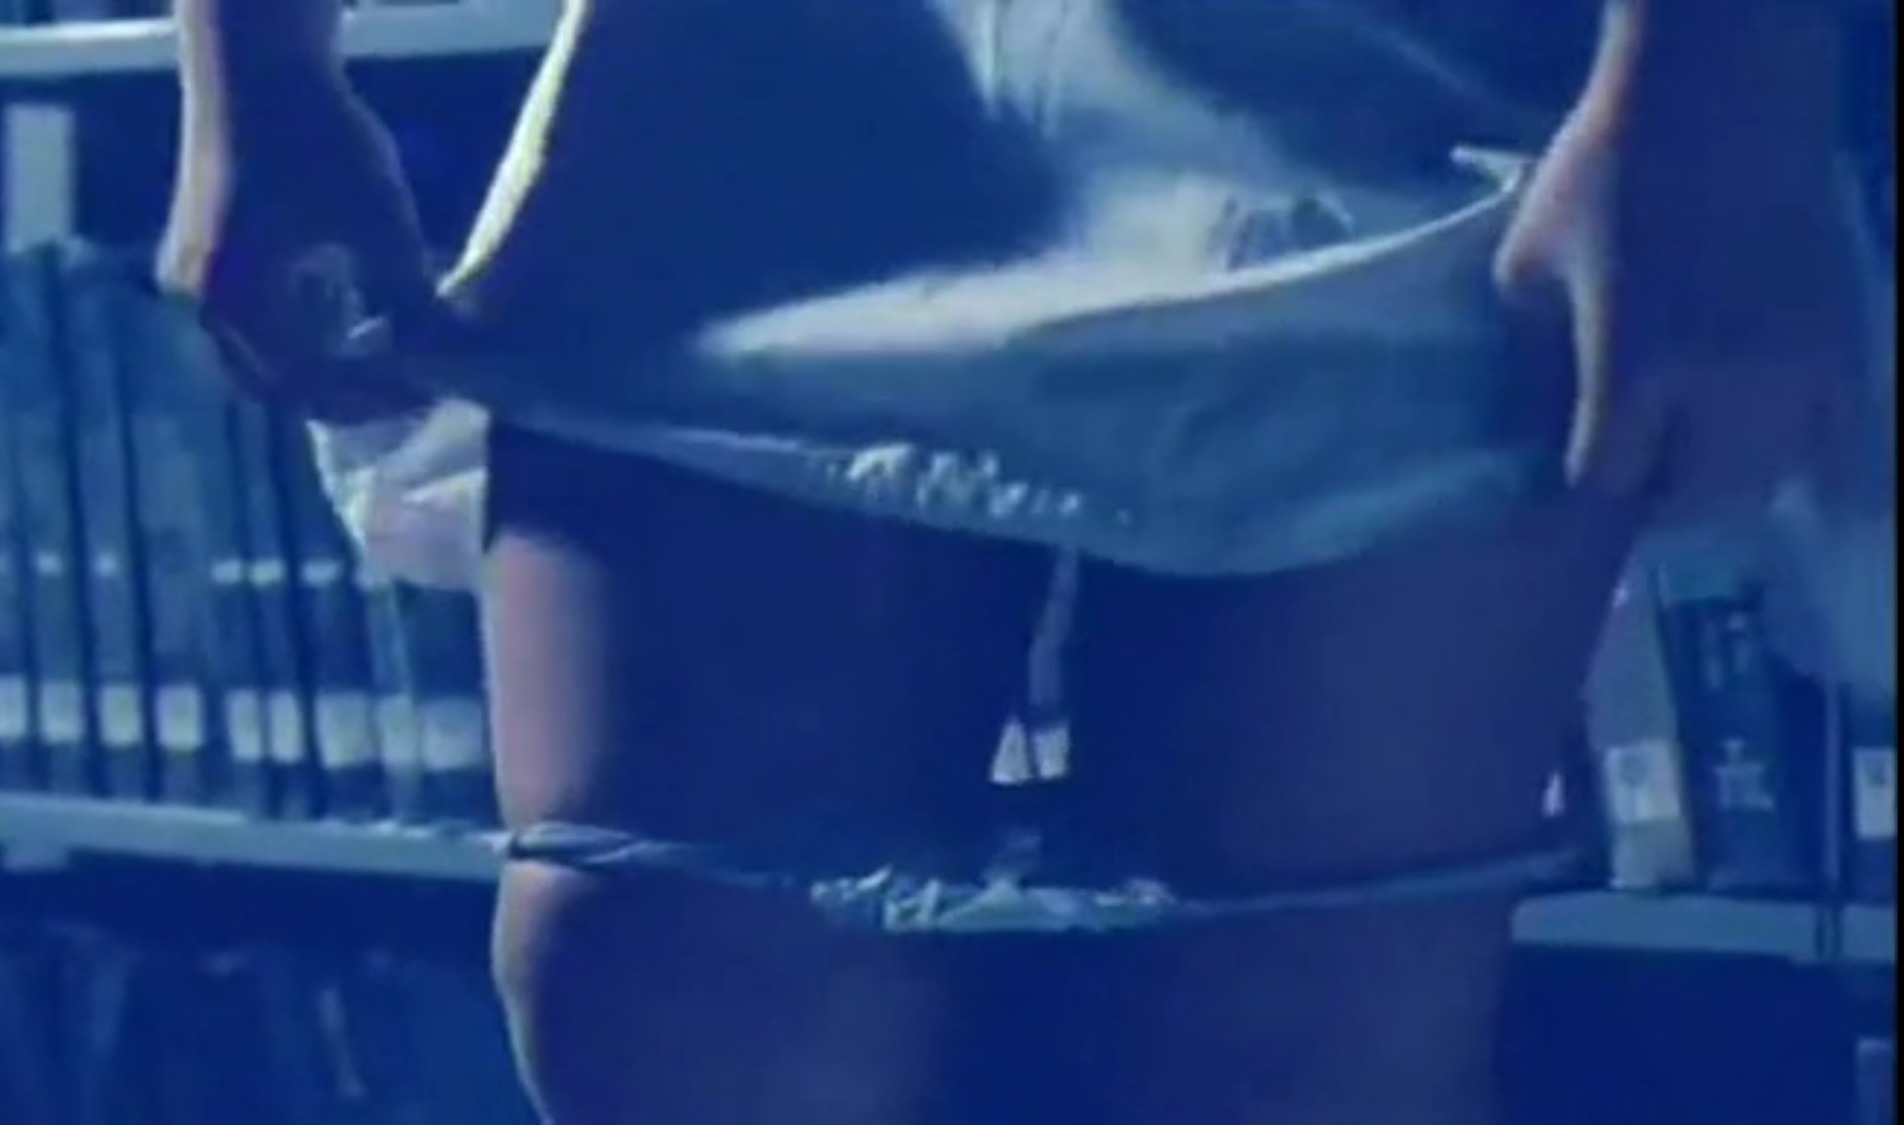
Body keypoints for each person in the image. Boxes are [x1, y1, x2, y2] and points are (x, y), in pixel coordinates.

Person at [158, 2, 1872, 1124]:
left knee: (1278, 1051)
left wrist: (1721, 94)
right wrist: (255, 76)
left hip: (1382, 63)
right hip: (761, 75)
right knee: (661, 989)